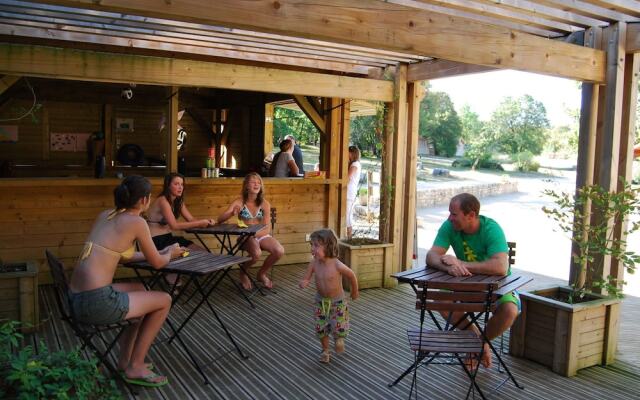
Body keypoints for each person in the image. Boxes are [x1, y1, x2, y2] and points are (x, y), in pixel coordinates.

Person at [68, 175, 185, 387]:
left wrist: (163, 251)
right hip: (95, 304)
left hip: (76, 298)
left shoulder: (106, 215)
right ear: (144, 200)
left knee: (140, 288)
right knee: (164, 299)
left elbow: (125, 255)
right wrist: (171, 254)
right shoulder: (137, 222)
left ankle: (125, 361)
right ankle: (136, 366)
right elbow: (158, 264)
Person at [425, 193, 518, 369]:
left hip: (496, 286)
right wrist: (448, 267)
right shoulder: (449, 226)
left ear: (471, 215)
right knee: (438, 300)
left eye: (454, 214)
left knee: (510, 311)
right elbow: (431, 256)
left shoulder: (491, 228)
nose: (449, 218)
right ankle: (477, 340)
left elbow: (501, 267)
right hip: (464, 285)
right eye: (449, 213)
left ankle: (478, 345)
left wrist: (460, 263)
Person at [299, 229, 359, 364]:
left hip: (338, 302)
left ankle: (339, 339)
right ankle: (325, 350)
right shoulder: (314, 263)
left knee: (338, 326)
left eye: (316, 245)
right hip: (320, 301)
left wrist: (354, 291)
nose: (312, 249)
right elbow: (307, 277)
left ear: (328, 247)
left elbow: (351, 276)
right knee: (321, 327)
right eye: (311, 245)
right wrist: (305, 282)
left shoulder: (337, 265)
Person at [217, 172, 284, 290]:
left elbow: (267, 228)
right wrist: (231, 213)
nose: (256, 184)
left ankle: (261, 274)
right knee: (256, 253)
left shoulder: (264, 204)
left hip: (260, 234)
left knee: (279, 251)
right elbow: (220, 220)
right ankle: (243, 272)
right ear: (246, 186)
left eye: (259, 182)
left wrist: (254, 235)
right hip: (244, 236)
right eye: (253, 182)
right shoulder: (239, 202)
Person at [146, 173, 215, 286]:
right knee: (188, 254)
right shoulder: (163, 201)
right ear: (168, 186)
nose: (180, 187)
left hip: (169, 238)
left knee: (203, 253)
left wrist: (207, 222)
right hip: (156, 241)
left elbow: (191, 219)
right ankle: (171, 271)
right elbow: (174, 226)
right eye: (176, 184)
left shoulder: (178, 201)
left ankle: (174, 271)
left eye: (182, 184)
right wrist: (200, 223)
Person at [346, 146, 362, 239]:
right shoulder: (353, 164)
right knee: (347, 215)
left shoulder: (355, 164)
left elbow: (348, 177)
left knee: (348, 216)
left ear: (352, 153)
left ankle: (349, 238)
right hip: (348, 192)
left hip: (350, 193)